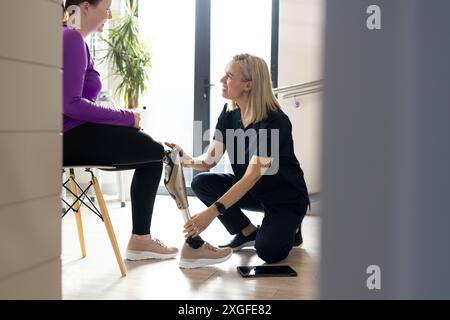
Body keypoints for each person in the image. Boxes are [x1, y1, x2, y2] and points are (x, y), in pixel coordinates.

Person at [62, 0, 231, 268]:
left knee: (153, 153)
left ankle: (145, 240)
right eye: (105, 7)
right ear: (84, 7)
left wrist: (125, 120)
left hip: (72, 135)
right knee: (155, 152)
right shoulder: (71, 37)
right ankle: (184, 244)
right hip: (69, 138)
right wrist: (126, 117)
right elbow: (70, 105)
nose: (108, 14)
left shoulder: (72, 39)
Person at [166, 53, 309, 263]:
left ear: (248, 85)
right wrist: (184, 158)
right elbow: (209, 161)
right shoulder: (229, 112)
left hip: (284, 198)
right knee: (202, 183)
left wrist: (211, 213)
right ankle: (247, 231)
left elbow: (251, 177)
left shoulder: (275, 121)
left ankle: (292, 225)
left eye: (229, 76)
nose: (222, 80)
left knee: (269, 252)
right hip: (254, 192)